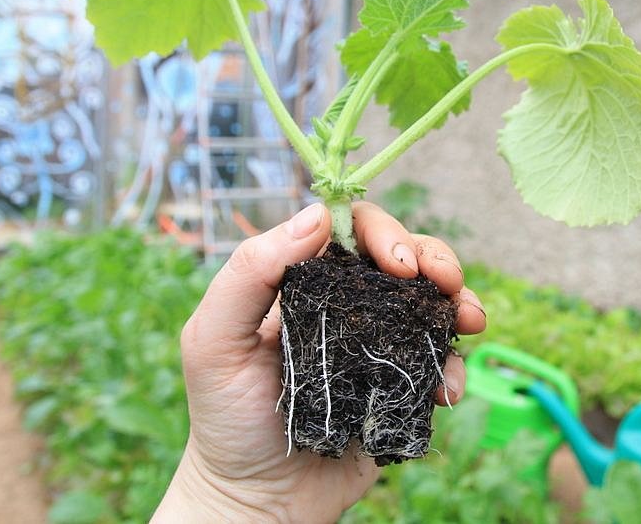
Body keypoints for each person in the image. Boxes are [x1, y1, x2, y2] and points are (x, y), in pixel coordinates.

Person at [152, 202, 487, 523]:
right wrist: (230, 497)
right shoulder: (306, 280)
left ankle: (390, 433)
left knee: (413, 268)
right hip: (249, 484)